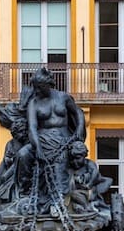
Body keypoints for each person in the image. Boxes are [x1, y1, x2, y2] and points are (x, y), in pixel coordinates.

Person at [25, 67, 86, 212]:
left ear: (48, 85)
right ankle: (23, 192)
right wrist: (38, 148)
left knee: (60, 163)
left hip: (63, 139)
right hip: (42, 139)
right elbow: (32, 127)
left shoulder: (63, 97)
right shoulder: (34, 103)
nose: (37, 91)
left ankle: (58, 200)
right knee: (22, 155)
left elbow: (78, 113)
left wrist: (79, 128)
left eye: (40, 87)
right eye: (35, 87)